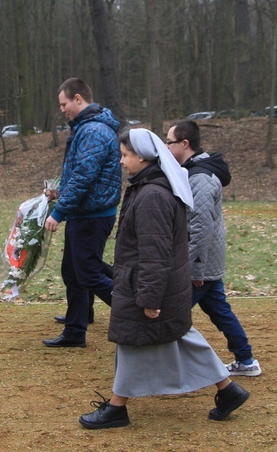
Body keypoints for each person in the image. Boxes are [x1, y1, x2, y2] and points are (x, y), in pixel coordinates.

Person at [78, 128, 249, 430]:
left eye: (125, 155)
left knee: (132, 340)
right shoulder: (148, 187)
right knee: (180, 337)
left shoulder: (152, 195)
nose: (121, 162)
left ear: (142, 157)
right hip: (149, 283)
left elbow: (154, 253)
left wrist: (148, 298)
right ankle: (228, 389)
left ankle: (117, 408)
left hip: (147, 284)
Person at [166, 120, 261, 376]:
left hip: (201, 264)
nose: (165, 147)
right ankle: (246, 359)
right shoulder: (194, 171)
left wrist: (194, 270)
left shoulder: (201, 178)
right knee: (219, 310)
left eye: (169, 142)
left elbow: (200, 228)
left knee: (171, 315)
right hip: (205, 262)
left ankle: (176, 366)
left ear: (185, 144)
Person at [42, 78, 122, 348]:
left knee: (87, 272)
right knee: (74, 270)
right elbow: (79, 174)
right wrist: (59, 193)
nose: (62, 109)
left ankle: (134, 311)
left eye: (64, 104)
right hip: (84, 212)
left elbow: (85, 177)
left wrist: (59, 212)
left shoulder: (94, 131)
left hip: (93, 214)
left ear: (78, 99)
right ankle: (76, 330)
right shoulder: (86, 128)